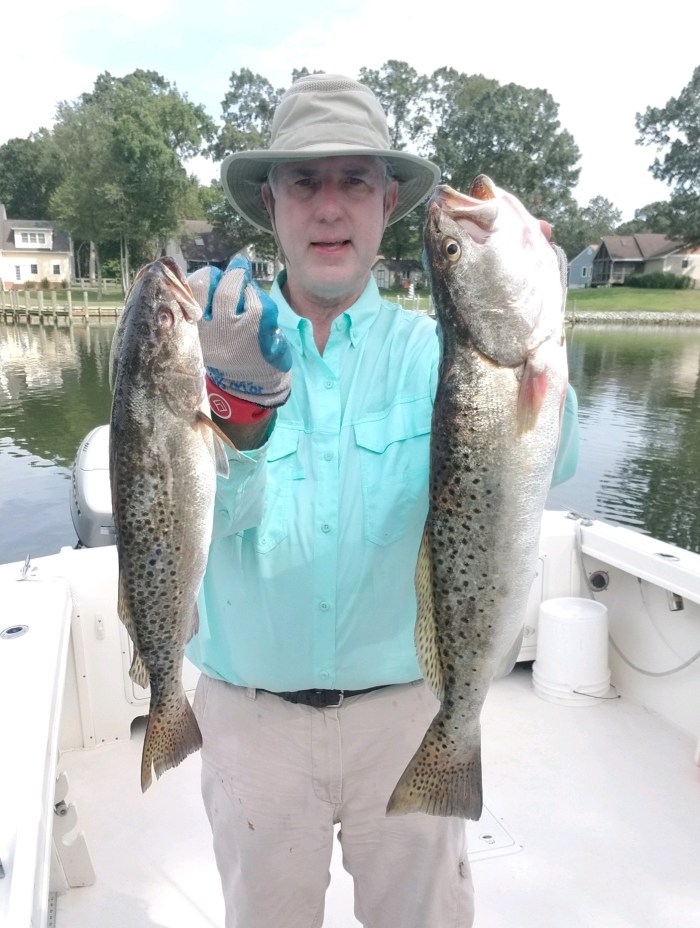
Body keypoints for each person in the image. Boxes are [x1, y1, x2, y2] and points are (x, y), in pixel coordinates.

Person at [186, 73, 578, 928]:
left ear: (389, 200)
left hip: (410, 711)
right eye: (305, 181)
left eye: (355, 180)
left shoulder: (441, 350)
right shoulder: (206, 346)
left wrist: (537, 307)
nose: (330, 207)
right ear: (272, 203)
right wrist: (235, 409)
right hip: (252, 730)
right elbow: (208, 517)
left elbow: (558, 450)